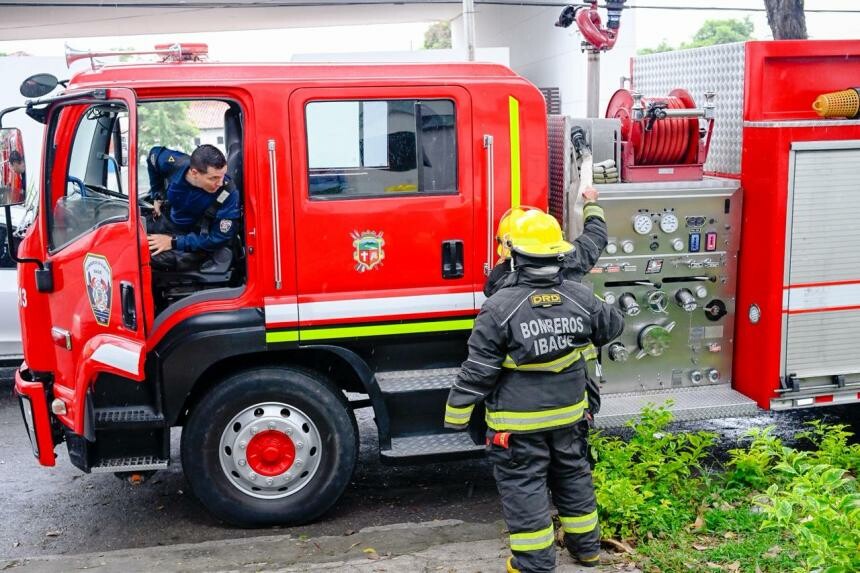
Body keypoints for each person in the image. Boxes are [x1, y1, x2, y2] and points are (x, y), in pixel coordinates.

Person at [444, 210, 624, 573]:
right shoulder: (580, 296)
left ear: (512, 255)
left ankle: (535, 564)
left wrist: (456, 416)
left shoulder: (498, 309)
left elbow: (478, 371)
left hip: (517, 426)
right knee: (573, 477)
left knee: (524, 488)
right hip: (571, 415)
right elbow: (612, 327)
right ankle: (587, 550)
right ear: (559, 253)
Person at [484, 187, 606, 298]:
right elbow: (596, 235)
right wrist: (590, 202)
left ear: (507, 245)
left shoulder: (500, 280)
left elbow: (490, 291)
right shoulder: (572, 260)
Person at [145, 144, 240, 271]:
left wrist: (173, 242)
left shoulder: (228, 193)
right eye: (214, 178)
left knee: (144, 257)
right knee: (129, 241)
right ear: (194, 173)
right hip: (168, 222)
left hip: (195, 238)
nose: (220, 182)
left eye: (223, 175)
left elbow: (218, 238)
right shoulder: (174, 163)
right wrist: (157, 195)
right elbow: (153, 155)